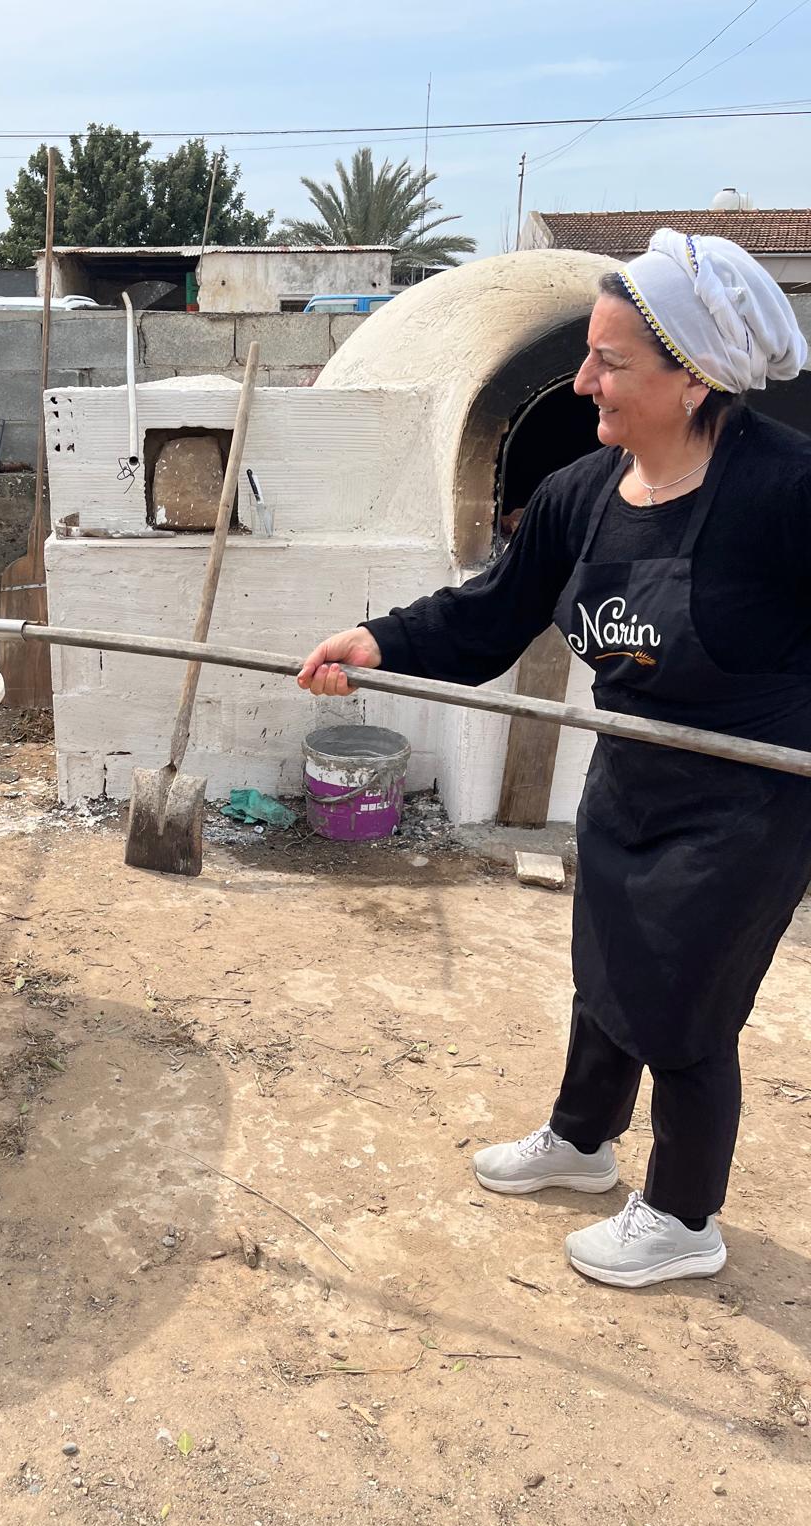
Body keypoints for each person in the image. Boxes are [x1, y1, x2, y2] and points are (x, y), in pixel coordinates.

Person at [298, 231, 811, 1289]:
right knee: (607, 969)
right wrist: (381, 642)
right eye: (586, 355)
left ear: (694, 377)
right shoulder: (584, 493)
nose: (583, 383)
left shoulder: (786, 492)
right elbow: (491, 613)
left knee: (689, 1008)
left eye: (609, 363)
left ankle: (683, 1217)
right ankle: (582, 1142)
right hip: (628, 780)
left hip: (749, 804)